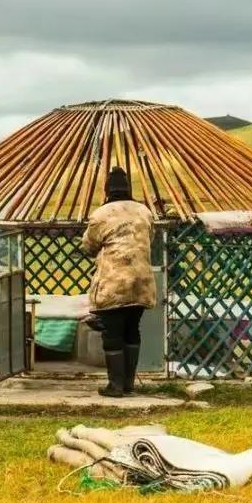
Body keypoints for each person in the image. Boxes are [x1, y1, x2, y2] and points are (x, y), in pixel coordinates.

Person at [80, 167, 157, 398]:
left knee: (112, 333)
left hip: (115, 283)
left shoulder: (101, 214)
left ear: (107, 191)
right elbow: (149, 239)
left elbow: (89, 246)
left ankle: (115, 386)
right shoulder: (145, 212)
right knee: (132, 329)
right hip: (142, 282)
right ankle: (128, 384)